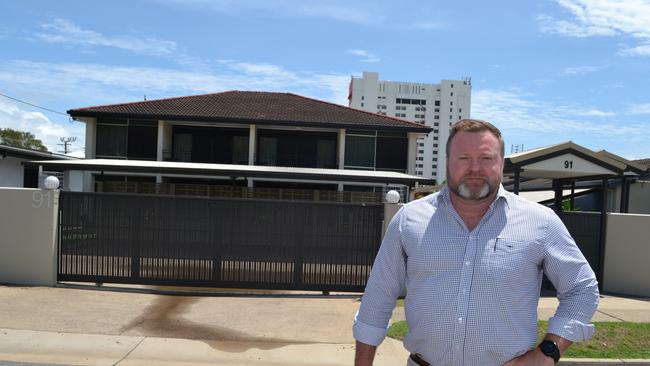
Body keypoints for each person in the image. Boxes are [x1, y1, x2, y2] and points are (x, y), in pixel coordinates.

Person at [353, 119, 599, 366]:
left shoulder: (540, 222)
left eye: (486, 158)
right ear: (448, 162)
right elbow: (377, 299)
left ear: (501, 163)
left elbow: (582, 289)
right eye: (463, 158)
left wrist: (547, 353)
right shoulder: (408, 220)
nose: (474, 168)